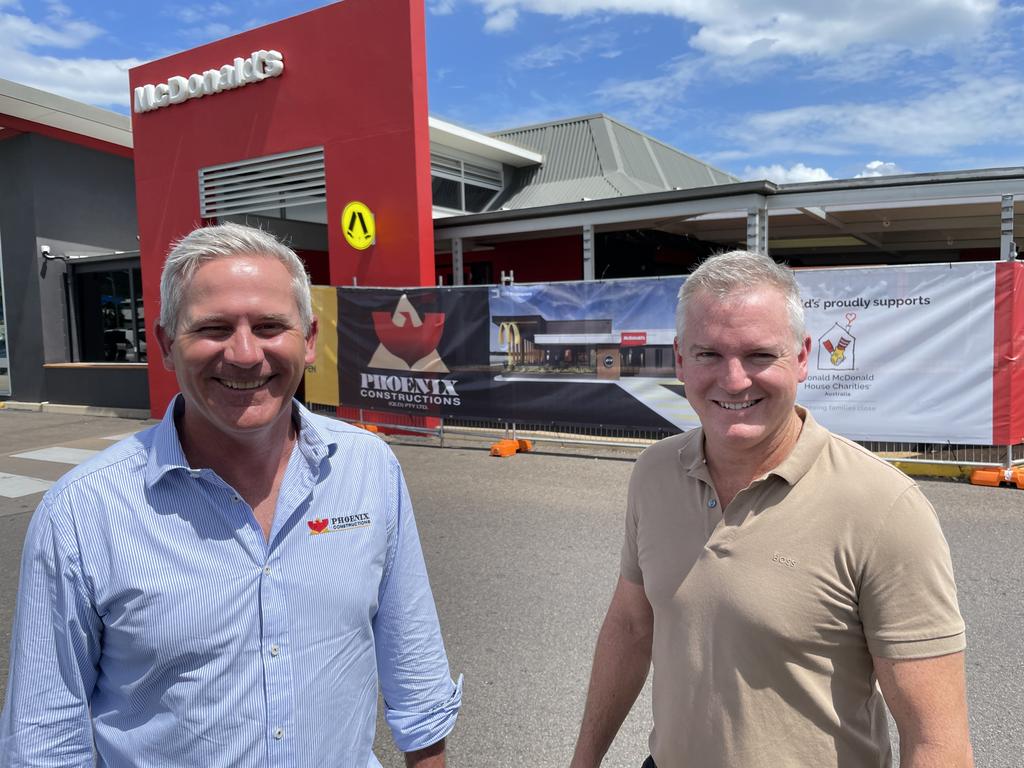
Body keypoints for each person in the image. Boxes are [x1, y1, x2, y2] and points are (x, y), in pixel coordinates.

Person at [0, 223, 461, 767]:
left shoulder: (368, 469)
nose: (245, 354)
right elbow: (46, 740)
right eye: (214, 328)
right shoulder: (82, 512)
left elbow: (417, 681)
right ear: (167, 345)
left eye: (269, 326)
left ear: (309, 340)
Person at [570, 250, 972, 768]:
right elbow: (630, 626)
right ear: (679, 359)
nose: (734, 380)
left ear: (803, 357)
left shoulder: (884, 508)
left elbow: (937, 740)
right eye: (708, 354)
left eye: (760, 355)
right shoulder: (654, 474)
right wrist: (584, 760)